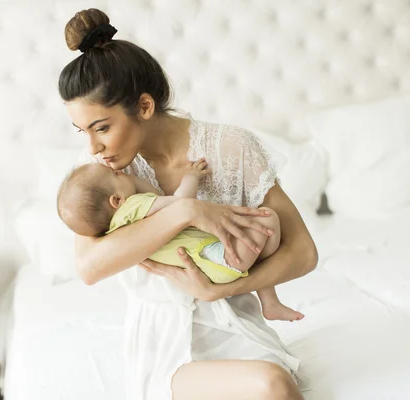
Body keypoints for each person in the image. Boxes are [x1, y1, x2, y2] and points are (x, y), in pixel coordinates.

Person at [58, 8, 318, 400]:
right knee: (269, 386)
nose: (93, 147)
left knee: (272, 384)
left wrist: (230, 288)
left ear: (144, 107)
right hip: (164, 342)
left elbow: (303, 252)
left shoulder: (230, 148)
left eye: (103, 128)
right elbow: (90, 268)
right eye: (83, 132)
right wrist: (187, 209)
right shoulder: (97, 173)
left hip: (237, 326)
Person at [58, 159, 305, 322]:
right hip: (215, 257)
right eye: (114, 174)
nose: (120, 171)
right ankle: (270, 301)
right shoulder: (132, 208)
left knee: (262, 238)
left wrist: (124, 180)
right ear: (116, 201)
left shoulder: (117, 230)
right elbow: (180, 202)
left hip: (209, 267)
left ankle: (270, 304)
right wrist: (192, 177)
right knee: (267, 219)